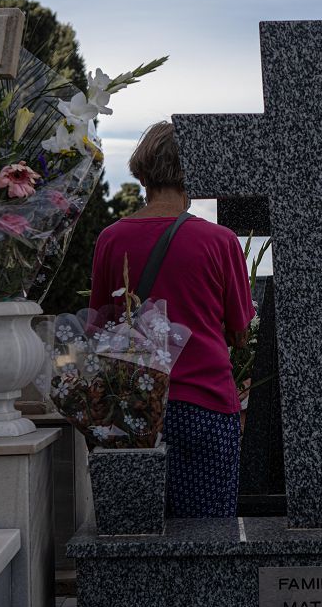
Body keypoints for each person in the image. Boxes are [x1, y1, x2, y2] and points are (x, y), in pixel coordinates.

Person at [89, 121, 255, 518]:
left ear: (141, 170)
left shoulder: (111, 238)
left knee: (137, 534)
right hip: (206, 406)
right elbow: (240, 332)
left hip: (133, 413)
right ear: (194, 172)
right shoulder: (220, 241)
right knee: (208, 537)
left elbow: (97, 330)